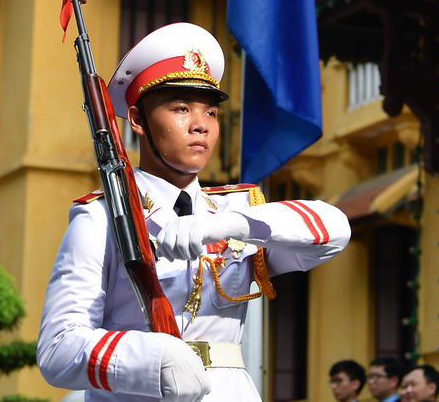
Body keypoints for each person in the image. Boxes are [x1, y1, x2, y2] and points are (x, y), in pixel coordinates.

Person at [37, 22, 351, 401]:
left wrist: (229, 224)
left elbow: (333, 232)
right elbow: (58, 349)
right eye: (181, 108)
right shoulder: (101, 218)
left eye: (211, 113)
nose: (201, 125)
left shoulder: (237, 211)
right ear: (137, 120)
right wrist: (154, 357)